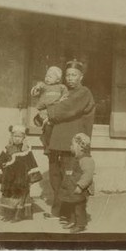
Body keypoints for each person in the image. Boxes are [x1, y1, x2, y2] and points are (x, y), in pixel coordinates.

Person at [38, 59, 95, 221]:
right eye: (68, 75)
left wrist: (47, 111)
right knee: (56, 177)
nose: (70, 78)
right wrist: (41, 113)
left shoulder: (83, 92)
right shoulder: (62, 92)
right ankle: (59, 211)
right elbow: (45, 107)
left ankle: (71, 215)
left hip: (72, 144)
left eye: (74, 75)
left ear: (81, 76)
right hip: (55, 142)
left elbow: (66, 108)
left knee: (70, 179)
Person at [0, 125, 42, 222]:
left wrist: (32, 178)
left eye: (19, 137)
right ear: (11, 137)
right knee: (8, 196)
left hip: (21, 178)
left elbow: (32, 163)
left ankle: (18, 216)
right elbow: (0, 161)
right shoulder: (7, 148)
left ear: (23, 138)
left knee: (20, 197)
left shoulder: (26, 150)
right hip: (9, 178)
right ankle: (8, 215)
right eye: (15, 136)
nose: (17, 139)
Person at [58, 133, 95, 233]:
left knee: (79, 207)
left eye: (72, 145)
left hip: (80, 188)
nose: (70, 147)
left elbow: (87, 175)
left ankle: (81, 224)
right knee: (72, 205)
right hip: (72, 187)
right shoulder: (75, 158)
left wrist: (80, 186)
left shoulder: (86, 160)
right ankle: (73, 221)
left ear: (80, 147)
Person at [30, 66, 69, 155]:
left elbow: (66, 96)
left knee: (52, 128)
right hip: (44, 110)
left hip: (55, 111)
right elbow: (34, 93)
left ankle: (51, 145)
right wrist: (36, 88)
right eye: (46, 76)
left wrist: (63, 99)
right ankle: (47, 146)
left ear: (57, 79)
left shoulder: (61, 87)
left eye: (50, 77)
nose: (47, 78)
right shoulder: (43, 86)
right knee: (47, 127)